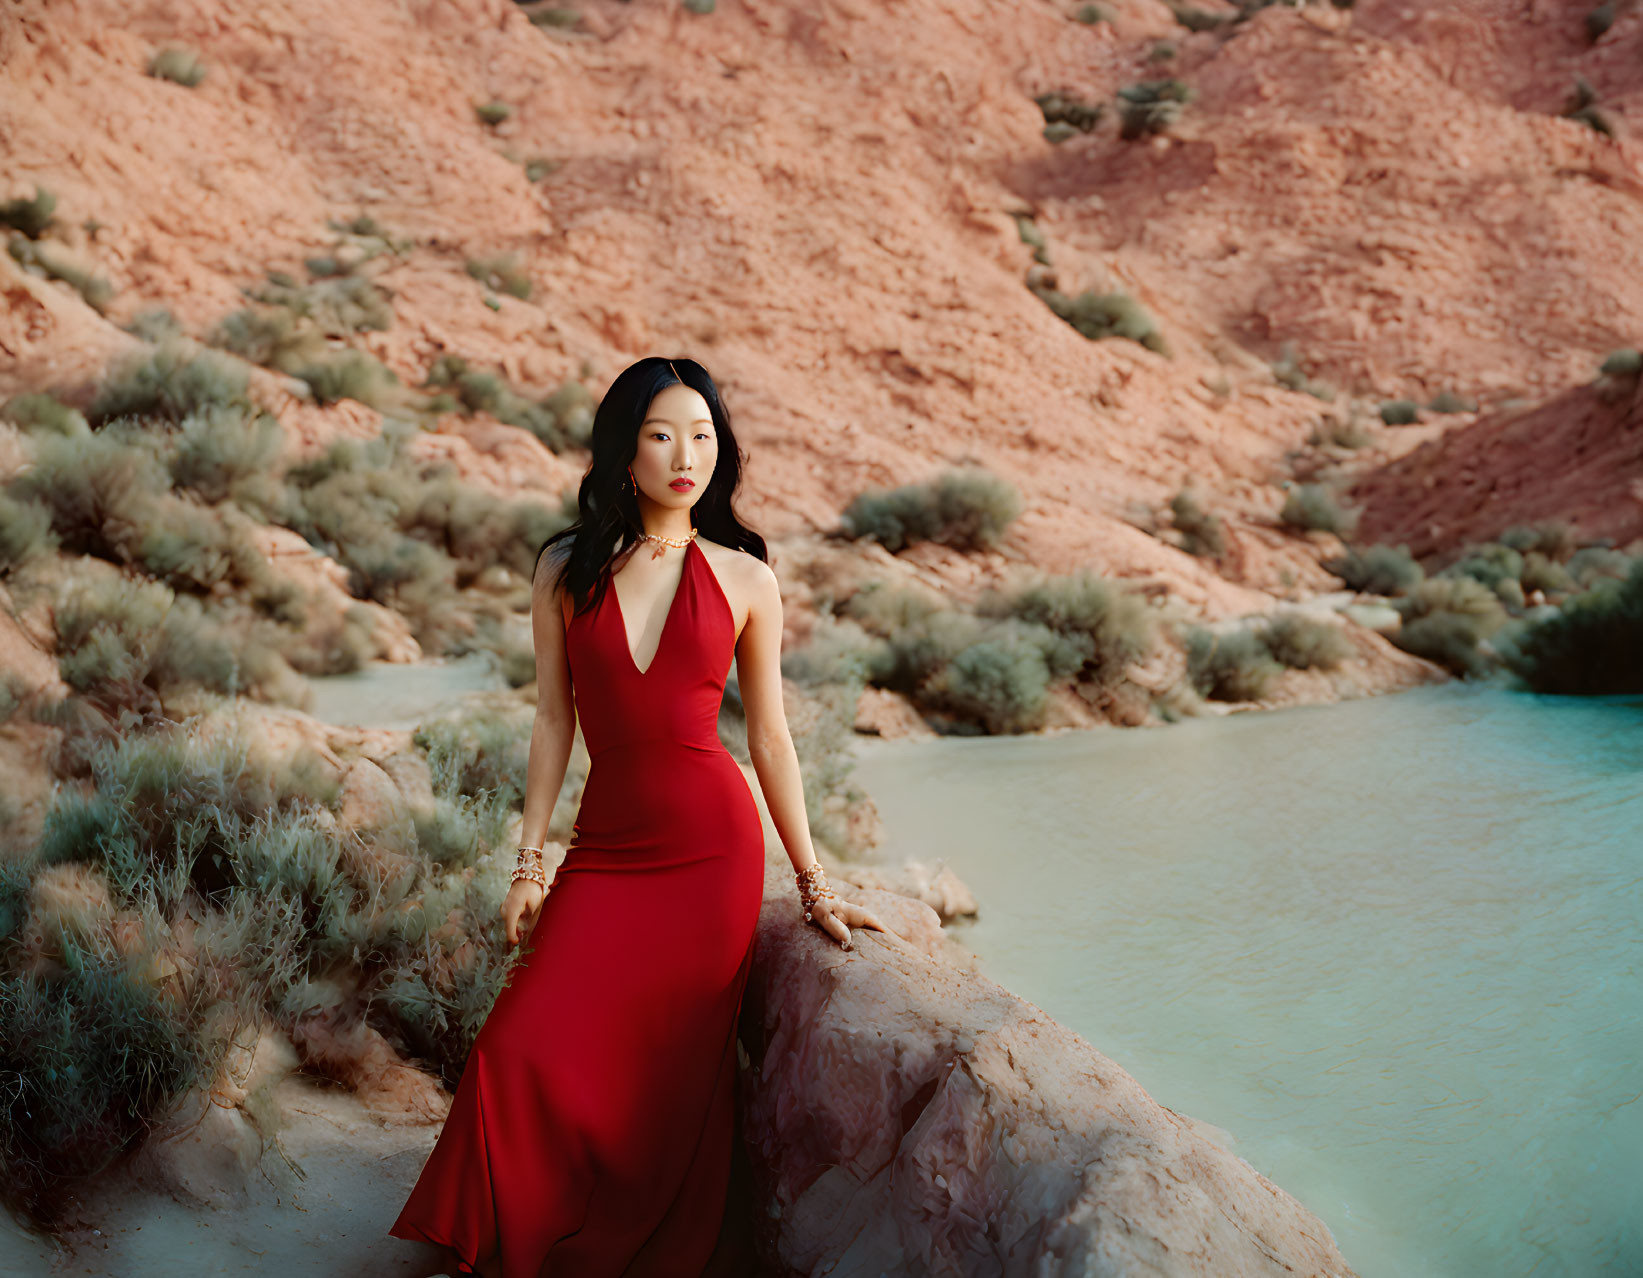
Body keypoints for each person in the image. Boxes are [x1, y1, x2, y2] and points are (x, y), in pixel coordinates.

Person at [389, 356, 901, 1277]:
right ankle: (511, 1236)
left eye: (702, 437)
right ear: (623, 451)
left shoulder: (746, 578)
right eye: (663, 434)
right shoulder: (561, 568)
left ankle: (628, 1245)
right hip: (607, 848)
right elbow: (552, 721)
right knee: (520, 1045)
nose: (685, 456)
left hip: (711, 852)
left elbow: (773, 743)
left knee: (665, 1081)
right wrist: (528, 862)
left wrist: (815, 882)